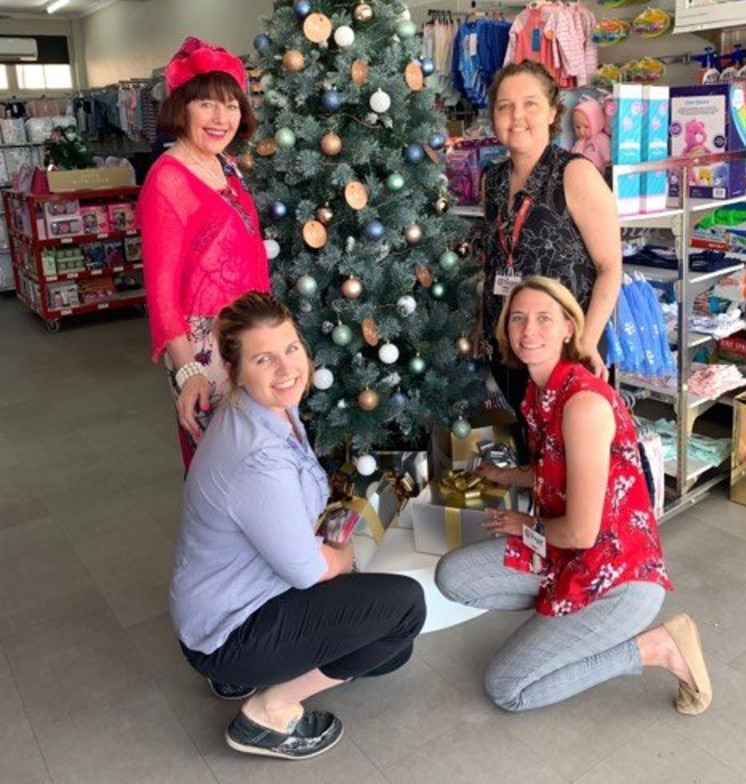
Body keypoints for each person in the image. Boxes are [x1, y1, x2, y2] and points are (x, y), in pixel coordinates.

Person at [436, 276, 712, 716]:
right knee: (453, 575)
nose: (529, 331)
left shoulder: (582, 404)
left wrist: (527, 524)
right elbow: (557, 469)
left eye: (544, 319)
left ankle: (656, 647)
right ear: (506, 329)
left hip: (613, 576)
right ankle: (561, 629)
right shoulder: (540, 390)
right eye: (518, 319)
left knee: (507, 688)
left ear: (569, 327)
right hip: (562, 553)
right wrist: (511, 476)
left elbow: (582, 532)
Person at [170, 291, 426, 759]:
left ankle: (245, 673)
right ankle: (268, 711)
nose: (287, 368)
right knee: (405, 610)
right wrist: (346, 557)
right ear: (234, 371)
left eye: (291, 348)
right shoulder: (258, 457)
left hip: (227, 605)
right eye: (263, 358)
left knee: (392, 650)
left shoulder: (266, 409)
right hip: (230, 630)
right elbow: (308, 571)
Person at [137, 37, 270, 470]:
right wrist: (187, 369)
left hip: (251, 332)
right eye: (207, 105)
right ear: (183, 108)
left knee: (260, 461)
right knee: (225, 472)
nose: (221, 117)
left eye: (231, 105)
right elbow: (160, 290)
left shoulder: (225, 165)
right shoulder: (168, 180)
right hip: (203, 347)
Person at [479, 59, 622, 457]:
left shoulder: (575, 174)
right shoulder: (492, 179)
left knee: (568, 466)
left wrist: (586, 342)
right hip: (508, 346)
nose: (517, 116)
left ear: (553, 112)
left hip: (564, 351)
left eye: (530, 104)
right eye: (505, 106)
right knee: (526, 457)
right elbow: (497, 259)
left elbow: (611, 267)